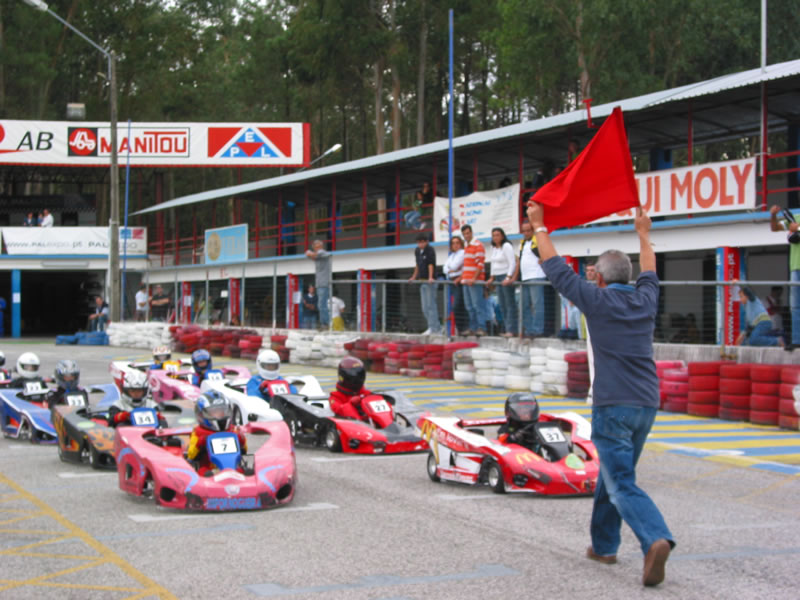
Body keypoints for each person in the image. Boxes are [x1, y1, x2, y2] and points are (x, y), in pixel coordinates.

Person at [527, 200, 674, 587]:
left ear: (601, 280)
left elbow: (555, 268)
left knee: (621, 480)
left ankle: (654, 538)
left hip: (612, 404)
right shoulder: (646, 299)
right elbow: (650, 268)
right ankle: (604, 545)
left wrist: (540, 226)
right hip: (647, 402)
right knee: (613, 474)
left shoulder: (596, 300)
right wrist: (644, 234)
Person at [186, 391, 247, 475]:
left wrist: (241, 439)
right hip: (208, 468)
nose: (219, 415)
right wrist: (200, 442)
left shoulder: (233, 430)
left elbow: (244, 451)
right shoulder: (198, 432)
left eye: (222, 412)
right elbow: (191, 455)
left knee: (245, 472)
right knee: (203, 472)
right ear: (201, 414)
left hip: (232, 467)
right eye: (214, 412)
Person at [770, 205, 799, 349]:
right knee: (795, 306)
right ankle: (797, 340)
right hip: (795, 268)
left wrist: (797, 229)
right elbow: (774, 228)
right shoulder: (795, 218)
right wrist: (773, 215)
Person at [513, 221, 547, 339]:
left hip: (536, 276)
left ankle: (538, 330)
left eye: (529, 230)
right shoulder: (522, 243)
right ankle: (529, 329)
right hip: (525, 278)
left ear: (532, 230)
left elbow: (546, 252)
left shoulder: (538, 239)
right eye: (524, 231)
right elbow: (518, 261)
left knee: (537, 305)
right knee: (523, 306)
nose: (526, 233)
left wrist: (543, 258)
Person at [487, 227, 517, 337]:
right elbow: (492, 263)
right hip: (498, 277)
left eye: (498, 235)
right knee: (502, 304)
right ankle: (505, 327)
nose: (495, 237)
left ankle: (512, 329)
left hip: (505, 275)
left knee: (510, 304)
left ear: (502, 236)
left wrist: (508, 277)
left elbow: (512, 263)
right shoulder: (493, 248)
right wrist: (492, 277)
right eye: (494, 235)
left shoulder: (506, 246)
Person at [409, 233, 440, 335]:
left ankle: (434, 328)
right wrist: (414, 276)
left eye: (422, 242)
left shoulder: (430, 250)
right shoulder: (417, 251)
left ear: (426, 242)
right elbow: (417, 265)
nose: (421, 244)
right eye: (419, 243)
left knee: (431, 305)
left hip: (429, 281)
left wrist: (430, 277)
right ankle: (433, 326)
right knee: (425, 307)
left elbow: (431, 265)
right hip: (422, 281)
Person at [460, 224, 487, 336]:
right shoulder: (466, 247)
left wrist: (473, 278)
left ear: (471, 233)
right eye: (464, 234)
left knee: (477, 305)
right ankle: (473, 328)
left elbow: (480, 264)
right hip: (466, 281)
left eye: (468, 233)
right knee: (469, 307)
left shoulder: (478, 245)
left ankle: (481, 328)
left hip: (474, 281)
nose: (466, 235)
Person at [443, 236, 468, 334]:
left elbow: (453, 266)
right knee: (456, 305)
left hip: (460, 280)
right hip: (452, 281)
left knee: (458, 305)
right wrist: (451, 269)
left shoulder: (462, 253)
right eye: (453, 243)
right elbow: (445, 269)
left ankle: (464, 327)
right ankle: (460, 328)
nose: (455, 245)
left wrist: (452, 269)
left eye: (457, 243)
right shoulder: (451, 256)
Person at [305, 240, 331, 328]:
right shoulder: (317, 256)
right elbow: (311, 256)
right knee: (321, 304)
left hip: (323, 283)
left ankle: (325, 323)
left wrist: (309, 253)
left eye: (316, 247)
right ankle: (324, 323)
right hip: (320, 283)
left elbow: (313, 254)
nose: (316, 248)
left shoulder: (322, 252)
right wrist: (309, 253)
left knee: (321, 304)